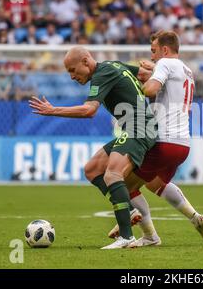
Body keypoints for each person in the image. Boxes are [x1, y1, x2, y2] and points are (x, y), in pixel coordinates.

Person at [29, 46, 157, 249]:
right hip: (136, 128)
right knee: (92, 169)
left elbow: (89, 110)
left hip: (140, 128)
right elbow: (143, 75)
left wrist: (53, 110)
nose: (72, 76)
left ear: (86, 61)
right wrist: (154, 70)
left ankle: (126, 237)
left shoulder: (103, 72)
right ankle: (130, 211)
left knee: (112, 175)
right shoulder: (112, 66)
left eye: (73, 70)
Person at [106, 30, 203, 247]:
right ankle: (195, 217)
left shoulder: (165, 64)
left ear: (165, 50)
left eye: (154, 51)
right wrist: (151, 70)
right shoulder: (186, 70)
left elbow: (150, 89)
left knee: (120, 184)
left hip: (162, 141)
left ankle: (148, 235)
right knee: (157, 184)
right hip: (182, 144)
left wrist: (139, 85)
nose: (153, 55)